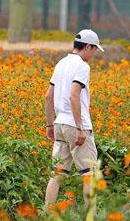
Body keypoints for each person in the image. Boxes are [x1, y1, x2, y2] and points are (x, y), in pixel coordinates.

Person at [44, 29, 104, 206]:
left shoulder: (61, 63)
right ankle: (89, 219)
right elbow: (74, 95)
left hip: (60, 124)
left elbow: (48, 96)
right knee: (89, 173)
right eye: (94, 50)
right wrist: (79, 127)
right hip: (76, 126)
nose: (93, 55)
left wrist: (49, 126)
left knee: (57, 174)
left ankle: (47, 214)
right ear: (87, 47)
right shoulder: (82, 66)